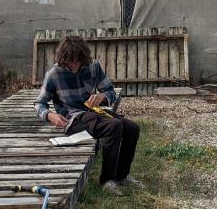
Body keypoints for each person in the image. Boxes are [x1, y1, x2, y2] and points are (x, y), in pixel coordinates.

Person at [34, 35, 142, 195]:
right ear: (63, 59)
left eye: (78, 61)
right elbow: (39, 104)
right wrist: (50, 115)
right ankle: (107, 180)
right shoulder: (54, 74)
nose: (75, 65)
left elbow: (110, 91)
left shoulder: (93, 67)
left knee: (133, 128)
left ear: (84, 58)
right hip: (73, 120)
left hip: (95, 113)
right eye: (71, 61)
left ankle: (122, 176)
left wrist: (102, 97)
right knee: (114, 126)